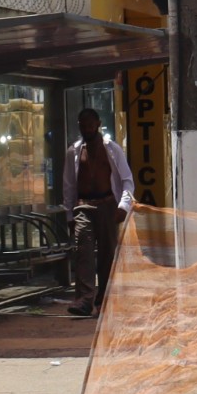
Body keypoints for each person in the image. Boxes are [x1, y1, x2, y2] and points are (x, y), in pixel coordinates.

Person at [62, 108, 134, 317]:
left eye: (91, 125)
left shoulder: (112, 149)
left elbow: (128, 181)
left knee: (107, 254)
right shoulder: (73, 151)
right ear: (79, 126)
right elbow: (68, 185)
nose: (87, 129)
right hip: (83, 206)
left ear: (98, 124)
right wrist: (69, 215)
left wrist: (123, 206)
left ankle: (105, 298)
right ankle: (84, 300)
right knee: (83, 251)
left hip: (108, 205)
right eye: (83, 125)